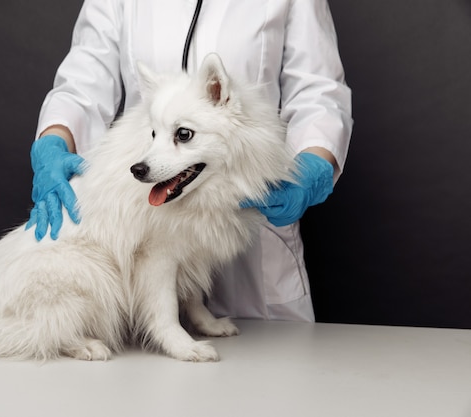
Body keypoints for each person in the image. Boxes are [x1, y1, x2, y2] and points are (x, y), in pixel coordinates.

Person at [26, 0, 353, 322]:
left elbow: (319, 91)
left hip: (255, 235)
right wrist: (53, 142)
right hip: (153, 222)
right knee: (148, 363)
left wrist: (314, 165)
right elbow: (82, 86)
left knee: (275, 368)